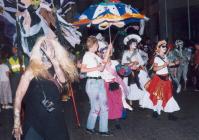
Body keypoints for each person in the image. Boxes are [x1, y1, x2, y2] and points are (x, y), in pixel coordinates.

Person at [12, 36, 78, 140]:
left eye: (49, 47)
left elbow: (63, 82)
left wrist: (54, 62)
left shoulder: (57, 69)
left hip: (55, 120)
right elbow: (18, 95)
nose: (46, 50)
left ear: (54, 49)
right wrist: (16, 122)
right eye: (43, 46)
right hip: (34, 120)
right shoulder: (32, 70)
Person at [81, 36, 113, 136]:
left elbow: (102, 66)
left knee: (104, 107)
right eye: (97, 44)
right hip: (92, 83)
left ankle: (103, 130)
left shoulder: (96, 56)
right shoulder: (87, 55)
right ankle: (89, 128)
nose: (98, 46)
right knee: (95, 107)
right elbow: (82, 70)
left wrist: (108, 50)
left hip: (100, 82)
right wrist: (96, 67)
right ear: (94, 44)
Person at [142, 40, 180, 120]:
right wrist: (163, 65)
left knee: (169, 96)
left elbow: (167, 64)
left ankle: (170, 114)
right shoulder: (156, 58)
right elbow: (155, 68)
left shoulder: (165, 56)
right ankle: (155, 111)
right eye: (163, 47)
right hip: (159, 80)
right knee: (157, 96)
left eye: (165, 47)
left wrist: (175, 63)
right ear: (158, 48)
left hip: (166, 80)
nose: (165, 48)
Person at [121, 34, 149, 107]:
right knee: (130, 86)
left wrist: (144, 70)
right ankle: (130, 101)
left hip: (137, 71)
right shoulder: (125, 53)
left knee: (141, 85)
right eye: (134, 44)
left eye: (136, 43)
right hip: (129, 72)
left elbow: (141, 63)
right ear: (129, 44)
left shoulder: (137, 53)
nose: (135, 45)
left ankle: (141, 102)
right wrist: (131, 63)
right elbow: (123, 64)